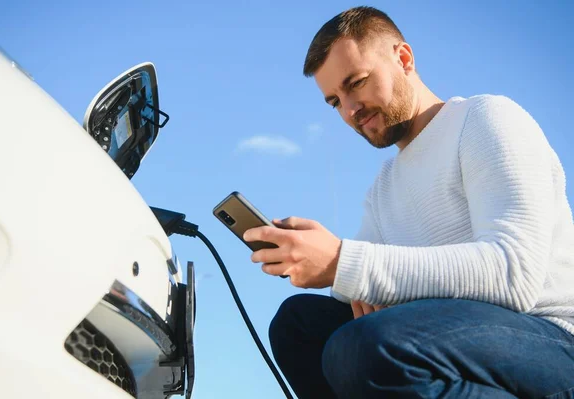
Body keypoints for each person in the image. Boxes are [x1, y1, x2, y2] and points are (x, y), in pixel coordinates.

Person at [242, 5, 574, 399]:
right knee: (297, 324)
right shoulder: (383, 189)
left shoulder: (486, 118)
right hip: (441, 338)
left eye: (357, 83)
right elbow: (360, 289)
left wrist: (342, 262)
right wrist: (338, 272)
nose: (350, 110)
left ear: (403, 59)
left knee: (367, 345)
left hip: (550, 341)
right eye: (334, 101)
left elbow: (512, 274)